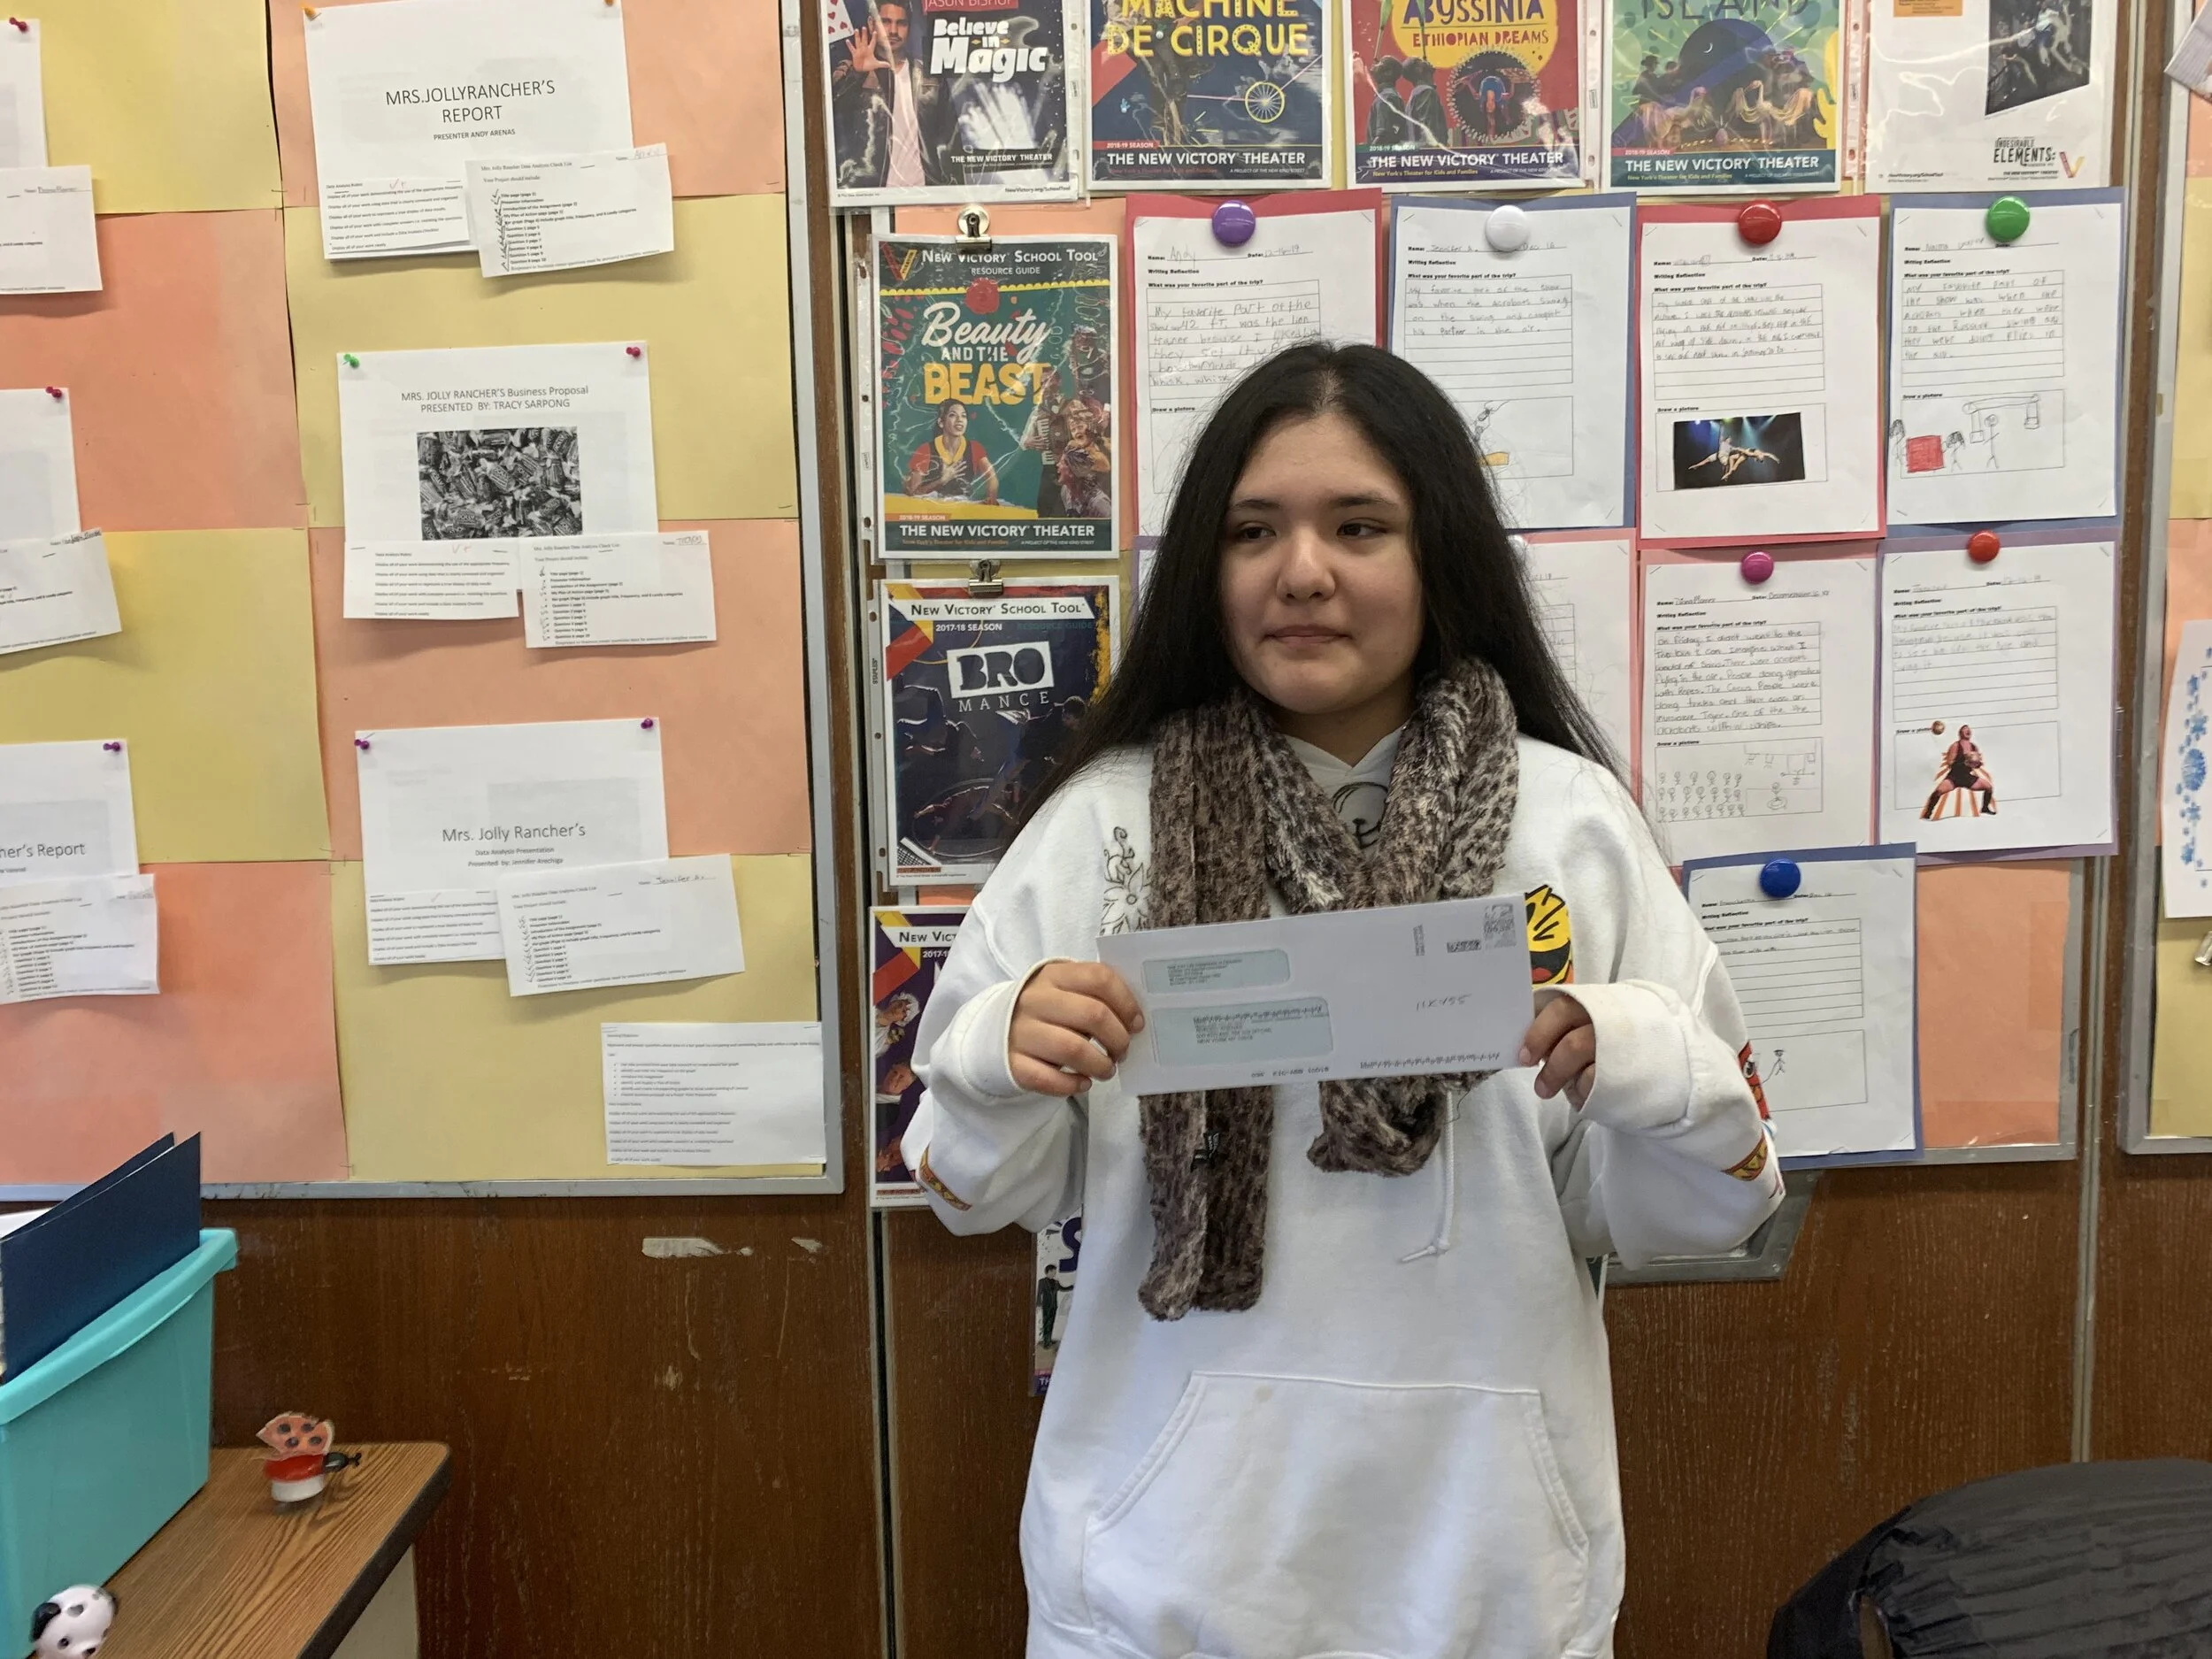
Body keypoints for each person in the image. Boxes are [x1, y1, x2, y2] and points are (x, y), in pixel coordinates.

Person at [901, 342, 1784, 1657]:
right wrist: (996, 1056)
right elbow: (972, 1192)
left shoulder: (1572, 826)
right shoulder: (1102, 828)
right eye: (1253, 529)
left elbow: (1701, 1209)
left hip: (1488, 1581)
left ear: (1441, 556)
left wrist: (1649, 1062)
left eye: (1359, 526)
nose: (1302, 571)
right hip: (1162, 1581)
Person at [829, 0, 945, 191]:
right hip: (870, 192)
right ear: (871, 23)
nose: (893, 30)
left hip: (926, 191)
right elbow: (832, 114)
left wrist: (953, 190)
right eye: (885, 22)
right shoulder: (851, 70)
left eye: (901, 23)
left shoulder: (928, 75)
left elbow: (947, 136)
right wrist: (857, 74)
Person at [905, 400, 1000, 502]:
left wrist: (991, 498)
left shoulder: (974, 448)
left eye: (963, 416)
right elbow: (913, 492)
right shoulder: (925, 450)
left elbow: (991, 476)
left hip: (962, 507)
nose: (960, 420)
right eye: (953, 415)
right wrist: (942, 480)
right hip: (930, 506)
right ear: (941, 422)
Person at [1924, 724, 1996, 818]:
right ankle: (1928, 812)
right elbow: (1950, 763)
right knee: (1938, 791)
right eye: (1965, 729)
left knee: (1988, 787)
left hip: (1967, 777)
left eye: (1969, 729)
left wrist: (1977, 764)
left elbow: (1977, 765)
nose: (1968, 730)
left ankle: (1985, 808)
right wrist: (1965, 762)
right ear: (1960, 733)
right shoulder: (1956, 745)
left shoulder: (1974, 747)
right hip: (1954, 777)